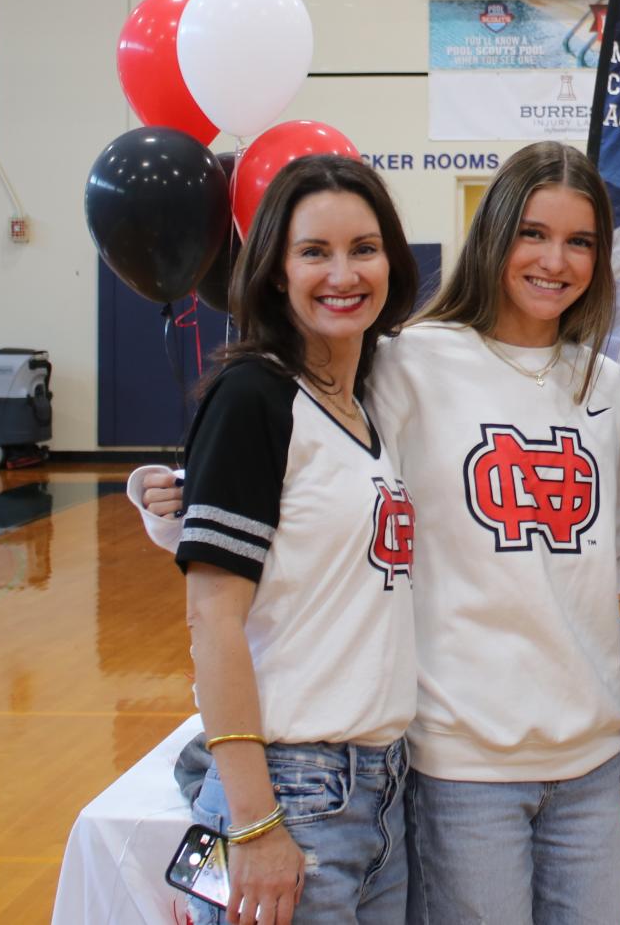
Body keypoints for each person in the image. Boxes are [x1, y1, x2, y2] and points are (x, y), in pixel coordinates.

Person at [139, 142, 620, 923]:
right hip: (454, 758)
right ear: (491, 237)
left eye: (580, 240)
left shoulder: (606, 384)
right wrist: (170, 506)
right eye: (531, 233)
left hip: (587, 760)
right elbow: (288, 467)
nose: (554, 260)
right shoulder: (402, 362)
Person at [168, 154, 423, 925]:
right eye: (314, 251)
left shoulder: (368, 408)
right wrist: (252, 822)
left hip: (379, 788)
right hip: (291, 789)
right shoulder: (254, 397)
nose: (342, 273)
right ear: (276, 270)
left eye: (363, 249)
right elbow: (211, 619)